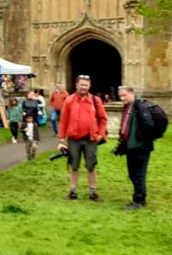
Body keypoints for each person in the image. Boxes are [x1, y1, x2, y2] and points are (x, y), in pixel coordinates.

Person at [57, 74, 108, 202]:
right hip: (74, 139)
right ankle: (73, 192)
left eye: (86, 85)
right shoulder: (69, 101)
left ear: (89, 86)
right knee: (74, 166)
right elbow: (63, 121)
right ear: (76, 85)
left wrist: (100, 134)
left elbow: (103, 119)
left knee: (91, 165)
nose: (84, 87)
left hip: (91, 139)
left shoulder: (96, 101)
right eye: (81, 85)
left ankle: (93, 192)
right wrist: (62, 139)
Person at [116, 86, 155, 210]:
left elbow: (148, 124)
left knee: (137, 174)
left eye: (124, 95)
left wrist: (138, 138)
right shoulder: (129, 107)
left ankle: (138, 201)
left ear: (132, 94)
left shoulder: (140, 106)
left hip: (140, 147)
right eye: (120, 96)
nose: (122, 98)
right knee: (134, 174)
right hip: (131, 147)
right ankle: (140, 199)